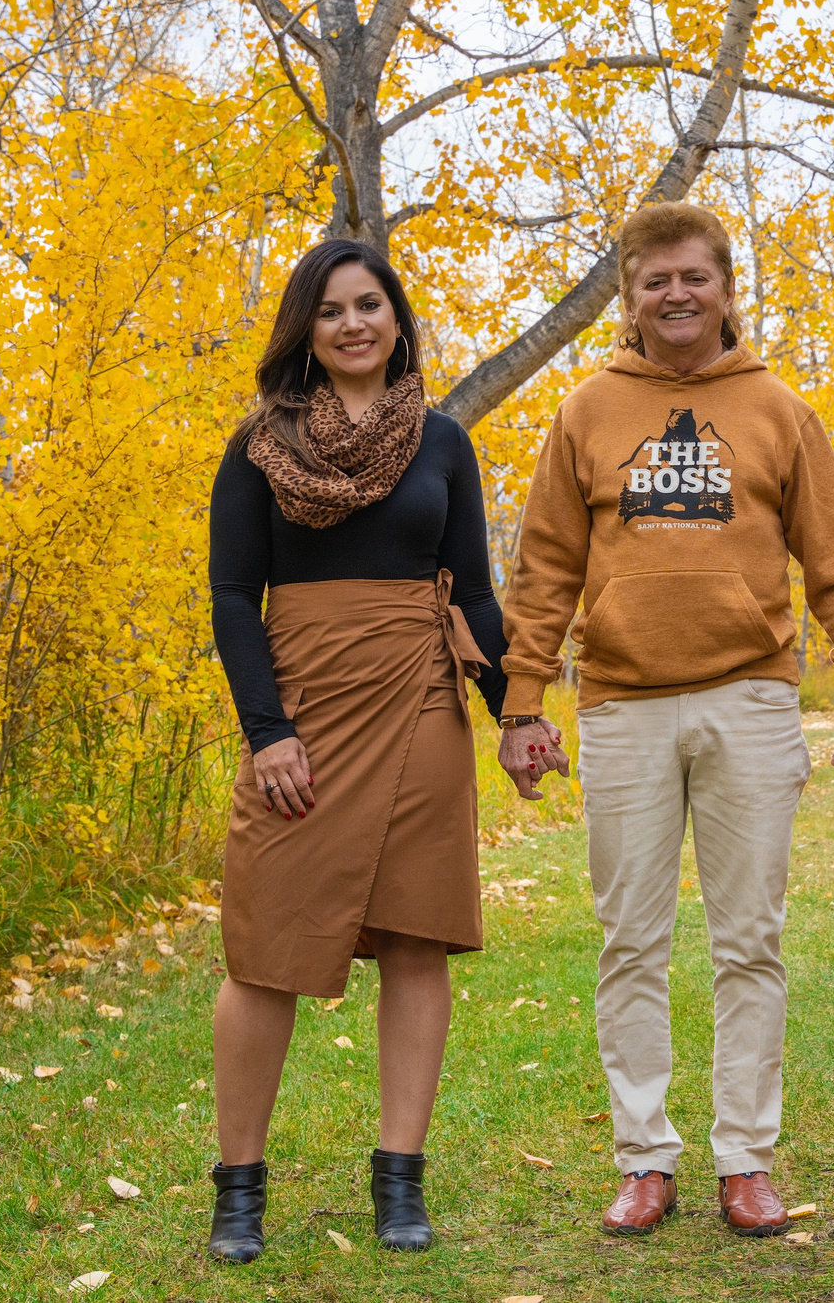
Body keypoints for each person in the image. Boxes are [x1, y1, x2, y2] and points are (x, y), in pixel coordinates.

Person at [496, 202, 834, 1240]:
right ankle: (643, 1158)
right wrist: (520, 700)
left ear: (726, 287)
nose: (675, 294)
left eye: (694, 277)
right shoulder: (587, 412)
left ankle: (743, 1159)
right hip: (624, 706)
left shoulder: (777, 411)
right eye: (653, 280)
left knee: (748, 941)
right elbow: (544, 569)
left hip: (751, 699)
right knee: (629, 939)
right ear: (627, 300)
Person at [205, 239, 511, 1261]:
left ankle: (399, 1183)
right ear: (306, 328)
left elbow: (471, 594)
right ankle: (238, 1191)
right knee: (263, 954)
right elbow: (231, 601)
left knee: (418, 943)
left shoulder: (443, 445)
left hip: (420, 707)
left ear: (395, 319)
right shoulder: (257, 447)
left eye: (368, 305)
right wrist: (268, 732)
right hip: (303, 715)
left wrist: (518, 711)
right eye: (330, 310)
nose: (352, 324)